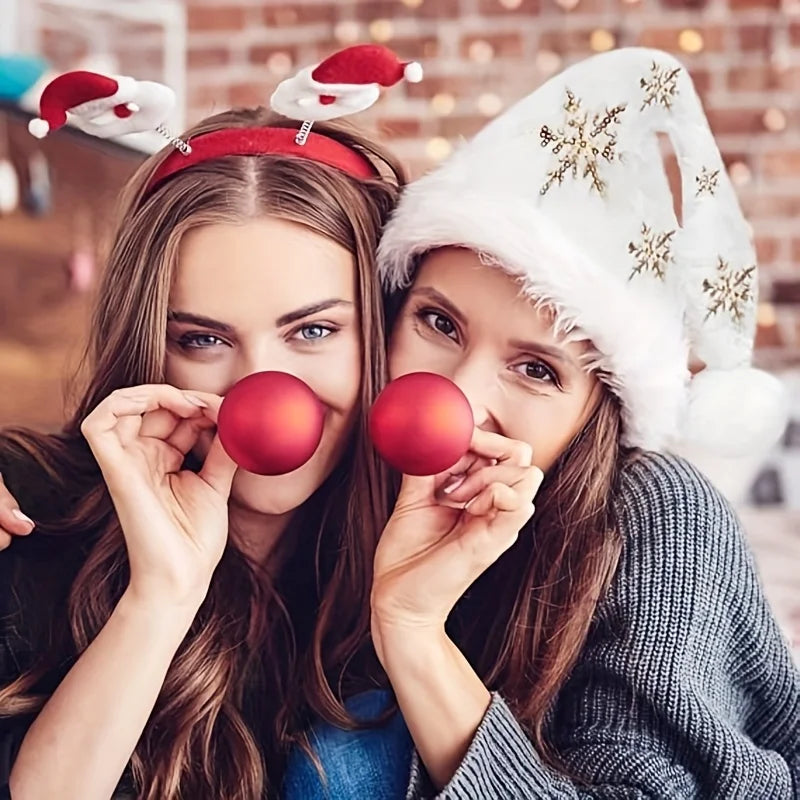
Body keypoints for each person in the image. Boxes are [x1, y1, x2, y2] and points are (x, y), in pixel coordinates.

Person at [362, 47, 799, 798]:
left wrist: (411, 629)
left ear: (601, 410)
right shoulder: (345, 479)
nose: (461, 398)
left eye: (536, 370)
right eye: (439, 322)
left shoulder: (655, 516)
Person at [0, 46, 416, 799]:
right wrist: (161, 592)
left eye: (313, 332)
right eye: (203, 340)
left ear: (382, 333)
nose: (261, 391)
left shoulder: (425, 552)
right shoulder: (24, 515)